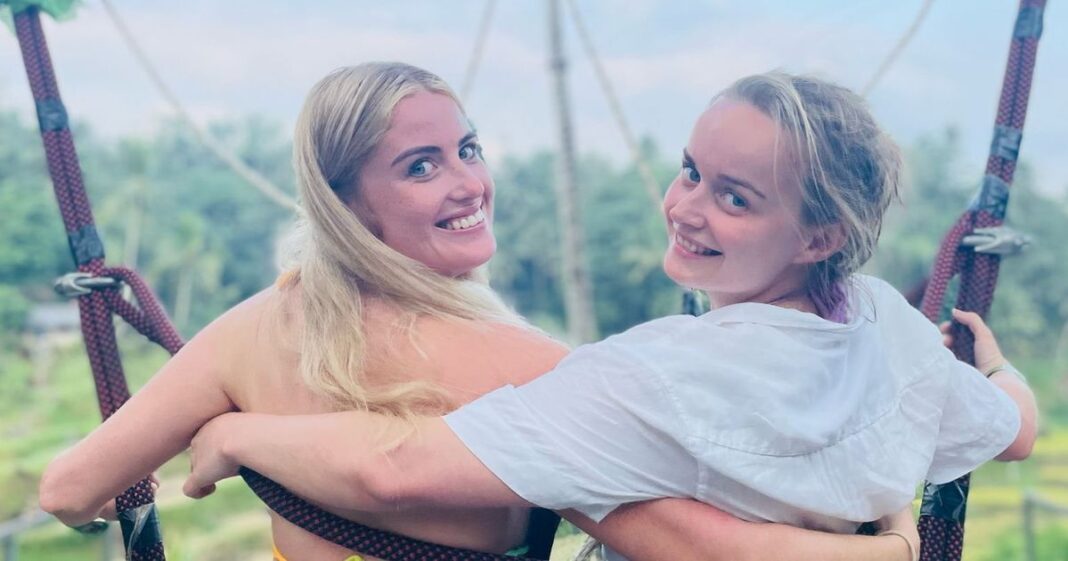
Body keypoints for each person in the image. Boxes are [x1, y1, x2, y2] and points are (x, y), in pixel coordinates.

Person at [37, 63, 919, 561]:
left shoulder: (248, 331)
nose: (469, 184)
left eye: (467, 149)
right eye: (421, 167)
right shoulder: (524, 369)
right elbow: (687, 545)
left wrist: (230, 433)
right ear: (347, 202)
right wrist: (890, 546)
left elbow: (70, 490)